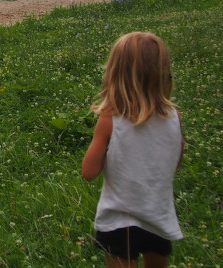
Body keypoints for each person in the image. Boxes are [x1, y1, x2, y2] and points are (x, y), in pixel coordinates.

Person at [81, 31, 184, 268]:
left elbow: (88, 172)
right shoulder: (174, 118)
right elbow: (175, 161)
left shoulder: (110, 119)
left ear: (114, 74)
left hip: (119, 220)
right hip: (158, 216)